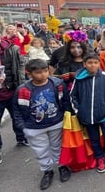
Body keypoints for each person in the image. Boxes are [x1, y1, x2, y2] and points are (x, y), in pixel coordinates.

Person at [12, 59, 71, 190]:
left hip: (56, 123)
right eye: (38, 72)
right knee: (41, 150)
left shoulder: (57, 84)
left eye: (45, 71)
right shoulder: (22, 90)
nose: (43, 75)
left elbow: (66, 101)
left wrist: (66, 117)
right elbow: (16, 110)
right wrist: (22, 126)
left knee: (58, 147)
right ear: (30, 74)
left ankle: (62, 166)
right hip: (34, 127)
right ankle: (47, 170)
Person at [70, 54, 105, 173]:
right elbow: (73, 96)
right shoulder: (79, 79)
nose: (93, 65)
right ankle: (99, 157)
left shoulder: (104, 76)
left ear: (99, 64)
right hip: (87, 117)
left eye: (95, 62)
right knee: (94, 139)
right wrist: (79, 110)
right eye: (90, 63)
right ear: (84, 64)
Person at [0, 24, 27, 169]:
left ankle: (22, 138)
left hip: (13, 90)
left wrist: (22, 87)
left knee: (19, 117)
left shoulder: (10, 48)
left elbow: (20, 67)